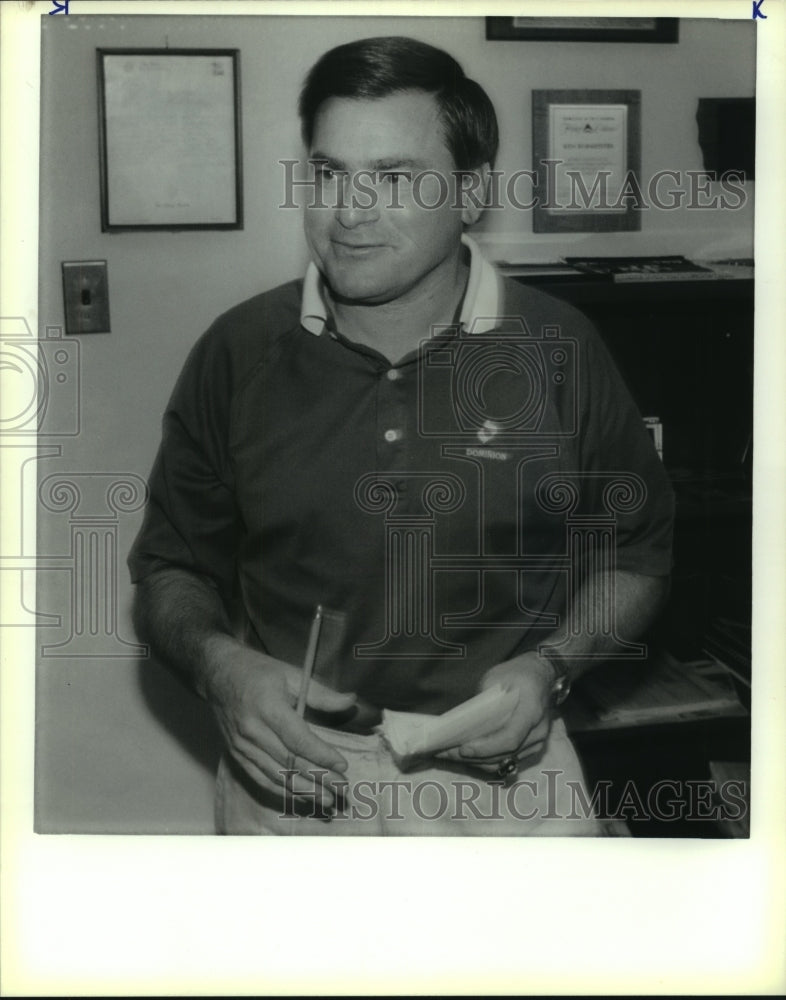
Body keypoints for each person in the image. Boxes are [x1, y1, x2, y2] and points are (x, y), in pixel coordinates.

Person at [129, 36, 674, 835]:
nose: (349, 212)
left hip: (508, 788)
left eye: (393, 177)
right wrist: (220, 668)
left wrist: (552, 667)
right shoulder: (236, 351)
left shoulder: (562, 347)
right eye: (328, 173)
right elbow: (172, 568)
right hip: (293, 788)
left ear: (470, 191)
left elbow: (637, 554)